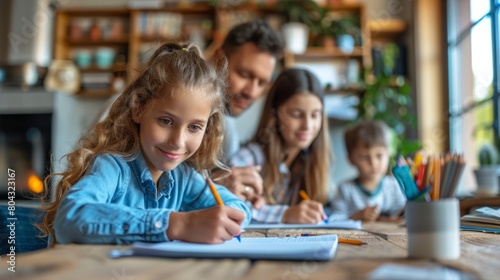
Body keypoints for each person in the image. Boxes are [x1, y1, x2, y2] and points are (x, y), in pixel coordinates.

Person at [38, 43, 251, 246]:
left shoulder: (184, 178)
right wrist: (177, 224)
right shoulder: (113, 168)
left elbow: (239, 210)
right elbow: (70, 219)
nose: (178, 141)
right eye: (166, 121)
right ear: (138, 108)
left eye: (194, 127)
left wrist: (225, 219)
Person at [228, 68, 332, 223]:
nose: (307, 126)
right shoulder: (249, 157)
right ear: (275, 114)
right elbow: (226, 204)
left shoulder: (312, 162)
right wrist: (286, 214)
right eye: (296, 115)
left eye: (315, 115)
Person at [211, 20, 284, 208]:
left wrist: (244, 194)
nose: (252, 92)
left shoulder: (227, 124)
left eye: (261, 83)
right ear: (219, 59)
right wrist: (213, 186)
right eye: (244, 74)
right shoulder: (178, 108)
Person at [331, 120, 406, 222]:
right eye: (365, 157)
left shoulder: (395, 186)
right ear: (351, 159)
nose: (373, 163)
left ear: (388, 155)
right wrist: (358, 216)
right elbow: (334, 220)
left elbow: (402, 216)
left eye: (379, 156)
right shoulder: (345, 190)